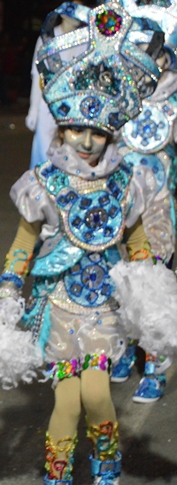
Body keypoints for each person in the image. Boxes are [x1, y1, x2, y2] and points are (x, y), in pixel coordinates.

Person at [0, 4, 177, 484]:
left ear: (112, 131)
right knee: (66, 402)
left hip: (102, 310)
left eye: (98, 131)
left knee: (96, 396)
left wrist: (151, 290)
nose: (87, 141)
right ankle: (58, 473)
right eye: (77, 129)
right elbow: (22, 243)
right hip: (57, 305)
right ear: (61, 126)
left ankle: (107, 461)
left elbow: (136, 243)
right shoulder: (43, 183)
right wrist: (8, 291)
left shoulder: (127, 182)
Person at [107, 0, 177, 402]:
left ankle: (154, 362)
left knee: (152, 281)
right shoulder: (112, 95)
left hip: (157, 207)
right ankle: (122, 348)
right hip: (115, 202)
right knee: (116, 276)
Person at [26, 1, 89, 170]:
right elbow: (37, 76)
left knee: (71, 152)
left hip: (74, 108)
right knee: (44, 152)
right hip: (48, 107)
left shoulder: (85, 40)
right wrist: (34, 109)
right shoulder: (47, 39)